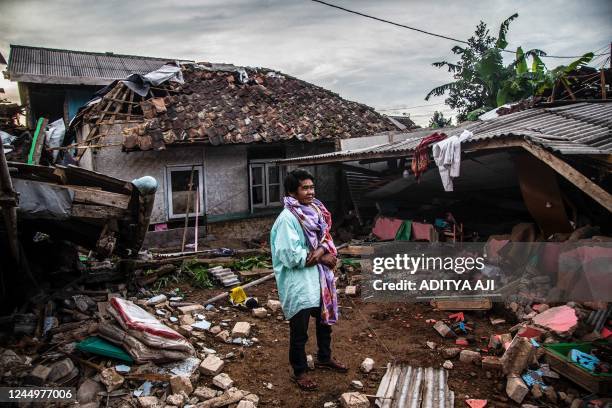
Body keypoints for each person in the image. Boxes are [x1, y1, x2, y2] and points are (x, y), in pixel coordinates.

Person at [270, 168, 348, 391]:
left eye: (312, 187)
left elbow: (326, 236)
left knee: (324, 324)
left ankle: (325, 357)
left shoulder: (315, 210)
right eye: (305, 188)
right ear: (293, 192)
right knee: (300, 331)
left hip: (320, 280)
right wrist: (323, 257)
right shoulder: (287, 219)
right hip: (300, 281)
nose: (310, 192)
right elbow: (291, 255)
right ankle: (300, 371)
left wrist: (323, 249)